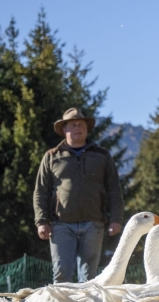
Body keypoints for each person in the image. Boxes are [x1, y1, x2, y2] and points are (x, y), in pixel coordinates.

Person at [33, 107, 123, 283]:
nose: (77, 128)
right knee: (61, 274)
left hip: (93, 223)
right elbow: (40, 191)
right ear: (64, 129)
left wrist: (116, 219)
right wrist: (41, 221)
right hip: (61, 225)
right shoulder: (52, 157)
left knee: (89, 278)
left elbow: (114, 189)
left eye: (81, 124)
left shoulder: (102, 156)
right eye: (72, 125)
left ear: (87, 128)